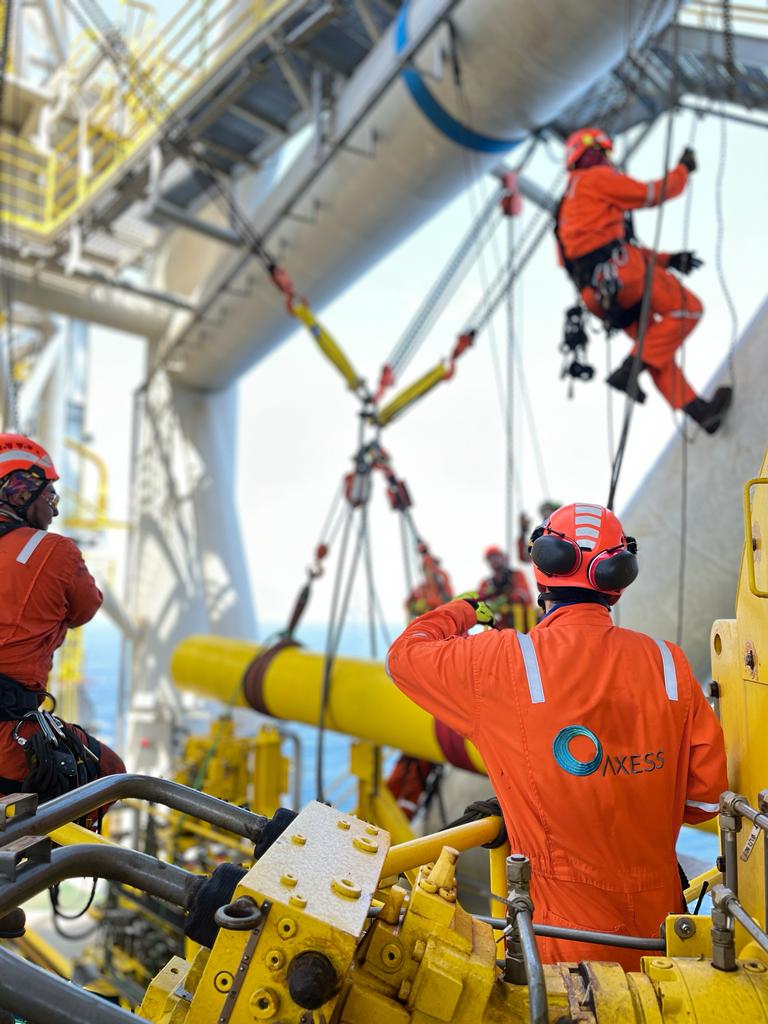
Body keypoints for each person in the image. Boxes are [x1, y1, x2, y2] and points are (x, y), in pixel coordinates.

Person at [386, 502, 728, 969]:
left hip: (557, 945)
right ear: (619, 579)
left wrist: (465, 611)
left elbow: (405, 655)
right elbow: (705, 801)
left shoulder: (501, 663)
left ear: (543, 567)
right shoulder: (669, 664)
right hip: (662, 939)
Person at [556, 126, 732, 433]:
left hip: (600, 296)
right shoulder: (594, 179)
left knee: (653, 346)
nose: (608, 160)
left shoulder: (565, 208)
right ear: (591, 151)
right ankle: (628, 369)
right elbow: (651, 194)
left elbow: (594, 253)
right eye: (604, 152)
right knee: (688, 309)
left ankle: (701, 412)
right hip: (624, 276)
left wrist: (668, 260)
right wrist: (683, 170)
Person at [0, 433, 125, 803]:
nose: (54, 511)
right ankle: (62, 859)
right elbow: (85, 608)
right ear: (21, 490)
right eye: (50, 497)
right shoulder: (53, 551)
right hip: (7, 736)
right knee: (109, 775)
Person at [478, 545, 533, 629]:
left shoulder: (516, 575)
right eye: (490, 559)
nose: (493, 561)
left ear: (503, 558)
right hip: (502, 626)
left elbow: (525, 597)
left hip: (523, 624)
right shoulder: (487, 583)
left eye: (496, 557)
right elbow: (479, 601)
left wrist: (504, 598)